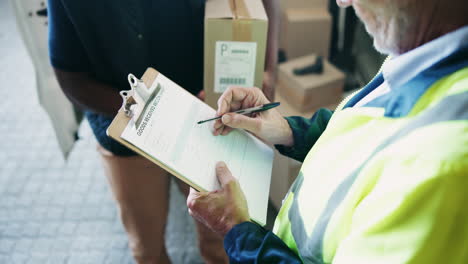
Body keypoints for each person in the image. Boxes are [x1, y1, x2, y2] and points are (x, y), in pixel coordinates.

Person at [187, 0, 468, 263]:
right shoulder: (422, 55)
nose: (342, 1)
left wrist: (237, 231)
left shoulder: (444, 165)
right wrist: (289, 131)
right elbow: (364, 131)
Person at [47, 0, 280, 263]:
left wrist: (268, 70)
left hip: (207, 119)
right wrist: (154, 112)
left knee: (223, 239)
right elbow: (70, 78)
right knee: (147, 249)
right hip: (126, 128)